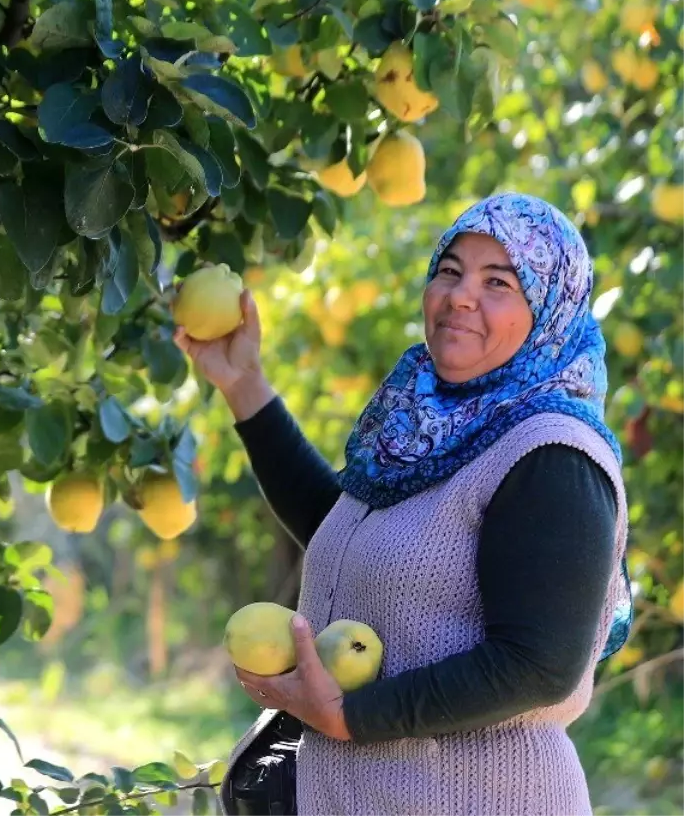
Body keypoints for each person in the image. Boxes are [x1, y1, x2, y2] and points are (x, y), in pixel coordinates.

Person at [174, 193, 633, 815]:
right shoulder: (431, 428)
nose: (461, 295)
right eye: (450, 270)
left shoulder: (551, 454)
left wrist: (351, 716)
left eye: (499, 281)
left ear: (549, 311)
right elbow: (343, 528)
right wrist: (243, 383)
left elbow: (539, 666)